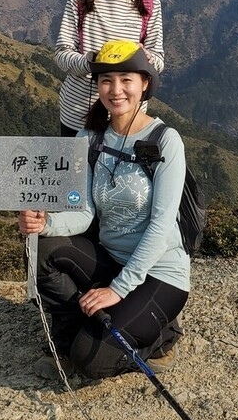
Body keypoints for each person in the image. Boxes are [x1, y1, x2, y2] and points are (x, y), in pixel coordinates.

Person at [19, 40, 189, 380]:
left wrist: (119, 289)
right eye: (106, 80)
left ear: (144, 83)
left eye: (126, 79)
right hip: (110, 260)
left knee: (91, 361)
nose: (116, 89)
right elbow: (85, 213)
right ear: (97, 87)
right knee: (44, 246)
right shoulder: (91, 137)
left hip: (160, 272)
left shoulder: (165, 140)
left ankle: (162, 336)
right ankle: (68, 333)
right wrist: (45, 221)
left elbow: (160, 225)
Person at [55, 0, 165, 136]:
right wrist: (93, 61)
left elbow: (158, 60)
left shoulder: (150, 4)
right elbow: (61, 54)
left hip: (128, 117)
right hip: (78, 115)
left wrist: (145, 59)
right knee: (80, 170)